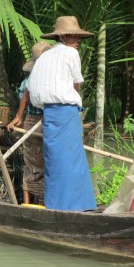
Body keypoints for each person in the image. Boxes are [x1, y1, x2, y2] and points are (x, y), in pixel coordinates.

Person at [26, 16, 97, 211]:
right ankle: (77, 207)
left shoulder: (44, 57)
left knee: (56, 160)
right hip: (65, 112)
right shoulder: (70, 54)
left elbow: (32, 89)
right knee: (71, 159)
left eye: (78, 36)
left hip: (49, 115)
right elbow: (77, 85)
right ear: (63, 36)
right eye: (74, 36)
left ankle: (58, 205)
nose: (78, 40)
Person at [8, 41, 51, 205]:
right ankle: (39, 203)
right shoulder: (34, 82)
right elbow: (27, 96)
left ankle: (29, 202)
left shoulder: (28, 82)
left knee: (32, 164)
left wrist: (18, 118)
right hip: (41, 123)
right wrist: (18, 117)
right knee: (42, 164)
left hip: (32, 123)